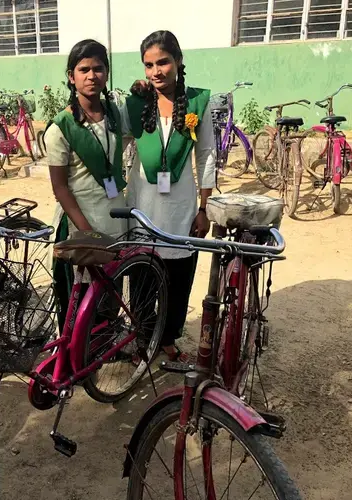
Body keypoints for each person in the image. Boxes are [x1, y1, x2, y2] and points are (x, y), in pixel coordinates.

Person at [123, 30, 216, 361]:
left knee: (179, 275)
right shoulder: (135, 105)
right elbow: (116, 144)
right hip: (143, 204)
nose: (156, 71)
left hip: (180, 207)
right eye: (149, 65)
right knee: (143, 274)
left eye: (163, 62)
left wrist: (204, 209)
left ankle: (168, 337)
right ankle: (143, 336)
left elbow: (206, 155)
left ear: (178, 61)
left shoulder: (197, 103)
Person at [45, 39, 127, 330]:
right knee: (79, 301)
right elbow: (60, 188)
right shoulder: (60, 128)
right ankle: (78, 361)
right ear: (71, 76)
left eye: (98, 68)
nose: (92, 76)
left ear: (106, 73)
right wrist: (85, 232)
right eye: (84, 69)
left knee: (110, 291)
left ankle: (104, 347)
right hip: (81, 221)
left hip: (115, 219)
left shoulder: (116, 115)